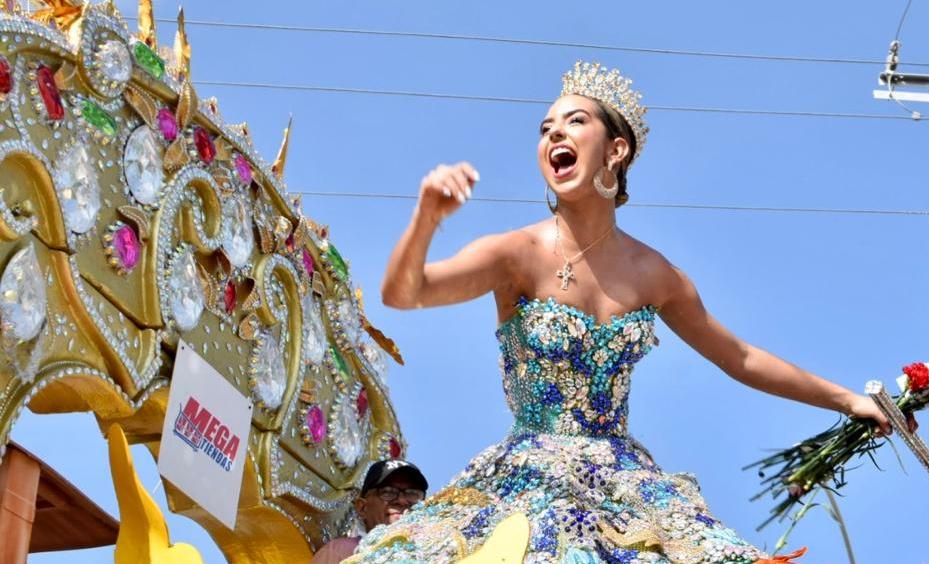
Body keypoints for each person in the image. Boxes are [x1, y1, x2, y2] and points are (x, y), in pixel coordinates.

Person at [354, 61, 891, 563]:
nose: (553, 136)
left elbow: (741, 357)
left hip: (626, 483)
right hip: (527, 479)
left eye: (574, 122)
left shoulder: (655, 274)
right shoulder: (517, 254)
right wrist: (427, 217)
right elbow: (406, 293)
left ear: (615, 151)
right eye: (545, 129)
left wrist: (848, 401)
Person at [311, 459, 429, 564]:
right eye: (388, 492)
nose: (402, 500)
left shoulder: (436, 553)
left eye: (412, 494)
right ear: (362, 508)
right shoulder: (341, 552)